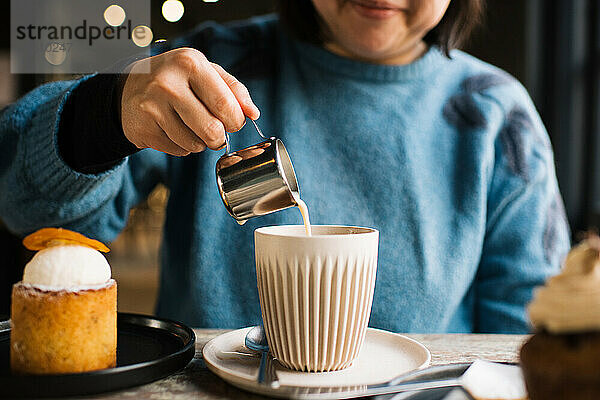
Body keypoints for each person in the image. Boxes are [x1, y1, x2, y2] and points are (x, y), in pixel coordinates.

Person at [0, 0, 570, 332]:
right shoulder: (205, 66)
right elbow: (32, 215)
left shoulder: (494, 114)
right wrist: (101, 115)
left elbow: (525, 328)